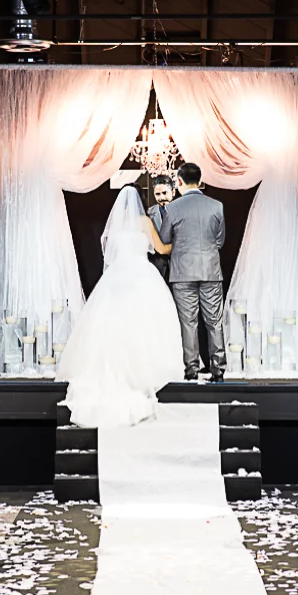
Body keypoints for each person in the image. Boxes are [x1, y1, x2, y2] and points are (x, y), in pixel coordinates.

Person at [57, 186, 183, 427]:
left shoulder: (115, 227)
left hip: (117, 276)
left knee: (112, 325)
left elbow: (109, 253)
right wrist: (181, 242)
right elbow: (161, 249)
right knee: (144, 324)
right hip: (141, 274)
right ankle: (142, 372)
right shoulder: (145, 221)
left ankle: (115, 371)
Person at [152, 162, 228, 381]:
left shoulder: (173, 208)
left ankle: (191, 369)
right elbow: (220, 241)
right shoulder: (217, 206)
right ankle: (218, 369)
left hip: (182, 272)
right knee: (214, 321)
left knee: (188, 322)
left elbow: (165, 239)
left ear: (179, 181)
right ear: (200, 180)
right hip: (211, 271)